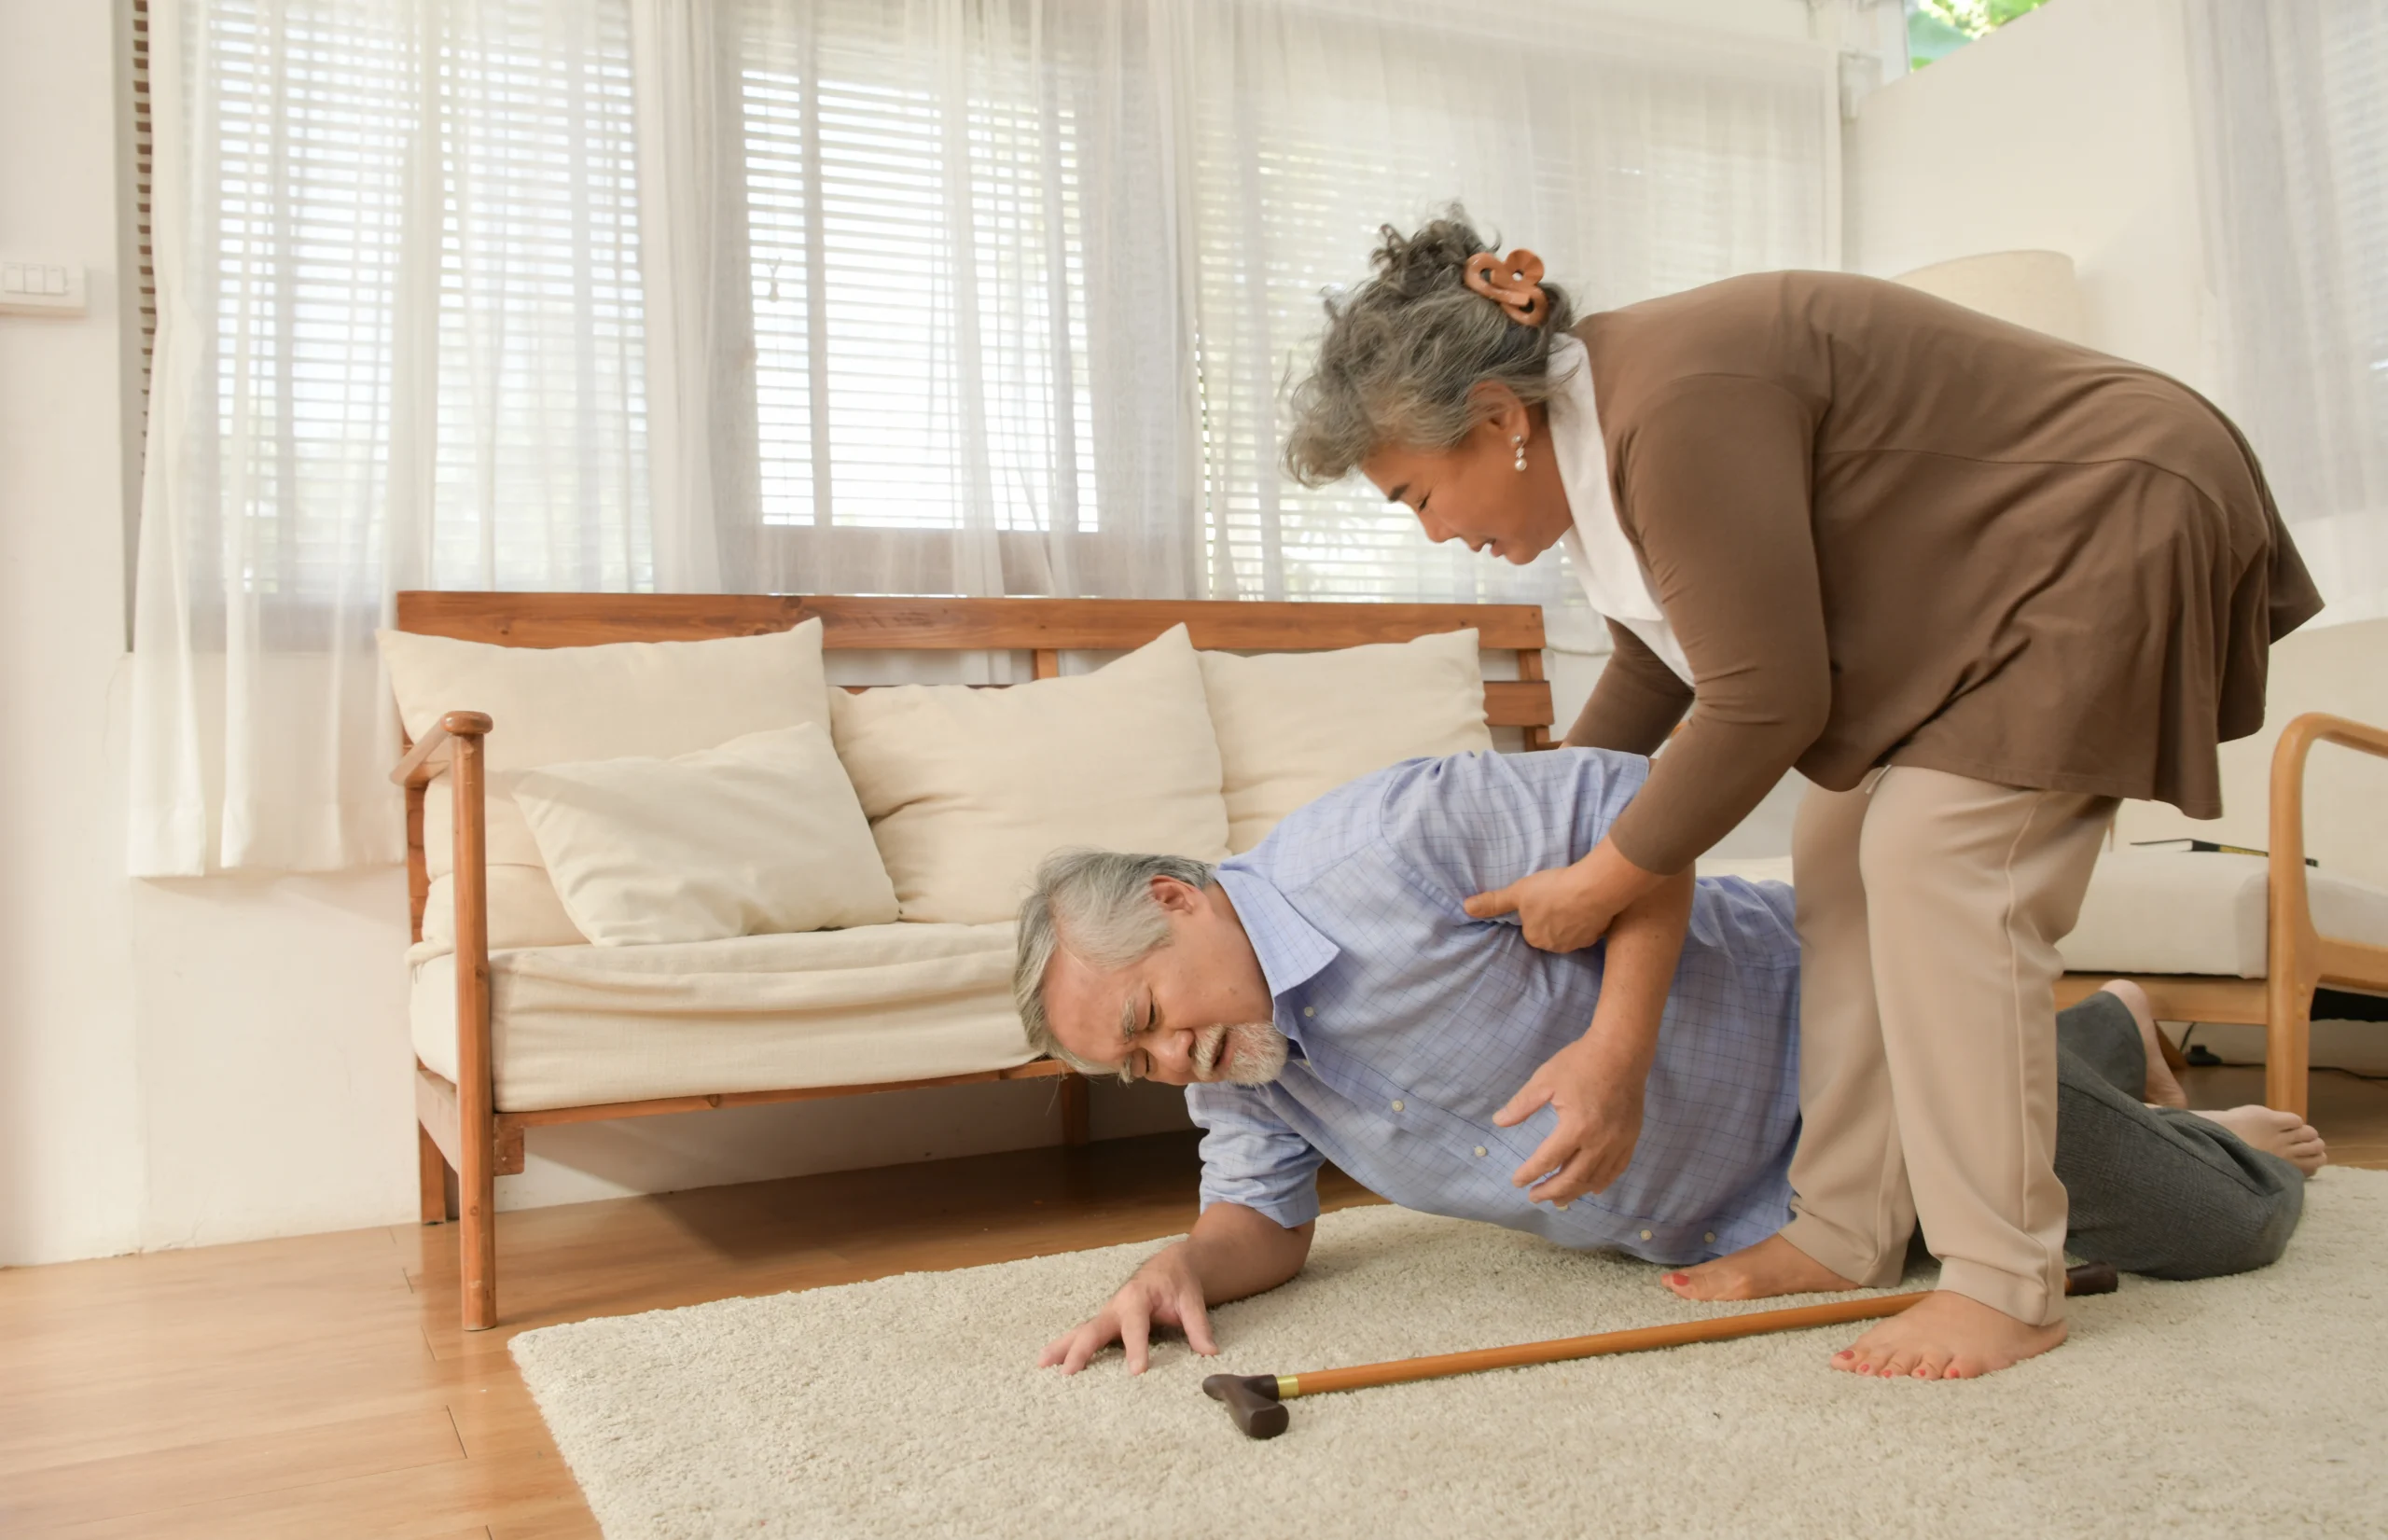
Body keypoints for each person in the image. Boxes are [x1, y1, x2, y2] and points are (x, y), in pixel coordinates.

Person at [1275, 212, 2325, 1378]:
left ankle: (2003, 1280)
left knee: (1938, 866)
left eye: (1418, 496)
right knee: (1836, 860)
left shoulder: (1668, 409)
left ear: (1494, 420)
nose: (1438, 532)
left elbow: (1765, 700)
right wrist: (1550, 816)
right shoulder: (1601, 433)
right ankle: (1843, 1225)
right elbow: (1664, 657)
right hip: (1983, 582)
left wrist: (1609, 870)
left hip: (2107, 515)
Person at [1020, 750, 2322, 1380]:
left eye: (1147, 1014)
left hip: (1852, 1069)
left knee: (2225, 1221)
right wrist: (1182, 1260)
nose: (1170, 1057)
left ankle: (2172, 1108)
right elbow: (1262, 1220)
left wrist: (1616, 1049)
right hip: (1753, 1219)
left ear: (1182, 899)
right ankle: (2106, 1029)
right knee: (2046, 1146)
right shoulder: (1236, 1064)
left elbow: (1648, 813)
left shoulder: (1383, 843)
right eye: (1134, 1062)